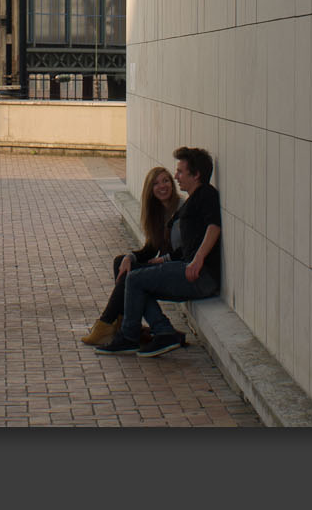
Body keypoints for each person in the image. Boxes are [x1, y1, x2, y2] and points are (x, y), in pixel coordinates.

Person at [95, 146, 222, 358]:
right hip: (188, 270)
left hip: (201, 276)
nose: (176, 177)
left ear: (196, 174)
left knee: (134, 280)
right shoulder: (192, 200)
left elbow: (214, 227)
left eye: (181, 172)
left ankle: (129, 336)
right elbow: (153, 246)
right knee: (136, 281)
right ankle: (163, 331)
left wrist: (198, 260)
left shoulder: (206, 194)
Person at [80, 166, 183, 347]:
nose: (162, 186)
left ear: (172, 184)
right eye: (156, 183)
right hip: (167, 266)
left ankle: (109, 323)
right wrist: (130, 257)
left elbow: (186, 249)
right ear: (150, 190)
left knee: (133, 278)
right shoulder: (158, 212)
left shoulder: (182, 209)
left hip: (178, 267)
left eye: (166, 180)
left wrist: (164, 259)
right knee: (122, 262)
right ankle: (123, 324)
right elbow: (150, 250)